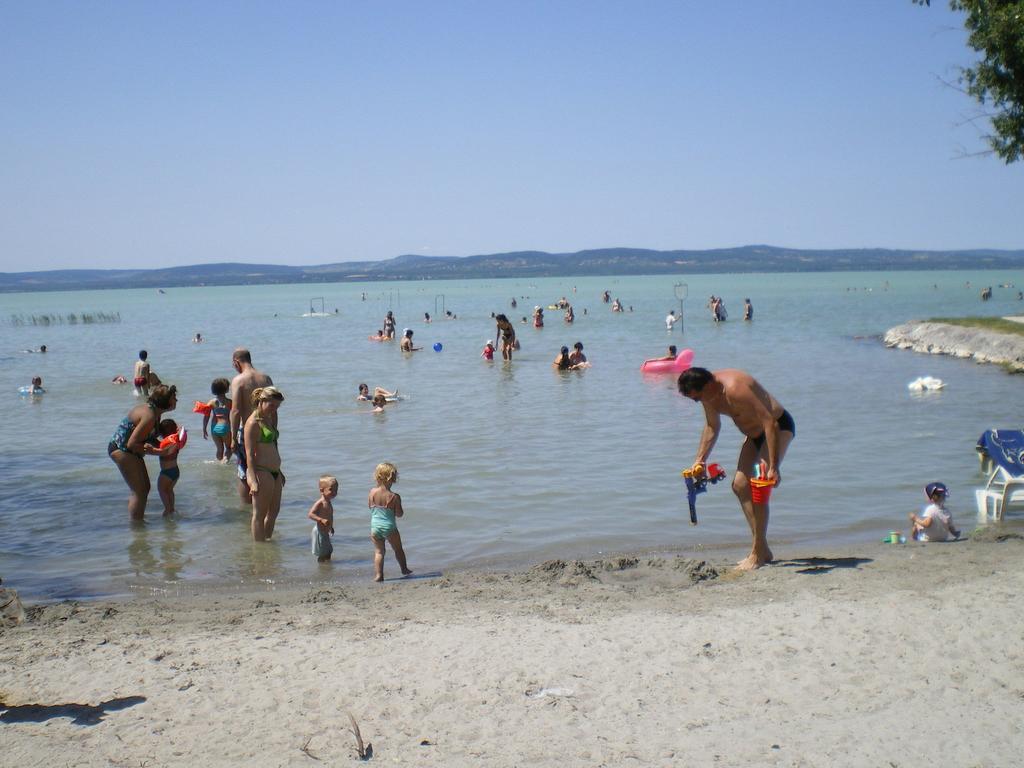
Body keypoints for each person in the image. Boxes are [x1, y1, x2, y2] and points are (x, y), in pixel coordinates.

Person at [678, 367, 795, 570]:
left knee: (758, 486)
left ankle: (757, 555)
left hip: (778, 428)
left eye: (697, 398)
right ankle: (762, 549)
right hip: (754, 436)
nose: (697, 402)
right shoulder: (709, 396)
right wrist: (700, 460)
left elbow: (769, 422)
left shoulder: (735, 389)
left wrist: (773, 467)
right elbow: (712, 426)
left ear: (707, 386)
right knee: (740, 485)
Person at [108, 384, 178, 520]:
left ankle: (139, 528)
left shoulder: (155, 413)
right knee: (139, 492)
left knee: (145, 488)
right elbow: (132, 443)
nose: (176, 400)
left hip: (130, 451)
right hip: (122, 450)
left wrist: (172, 439)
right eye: (174, 398)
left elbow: (148, 437)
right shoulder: (150, 415)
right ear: (166, 401)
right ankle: (137, 528)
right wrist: (160, 452)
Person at [229, 348, 274, 504]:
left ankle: (247, 509)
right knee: (264, 465)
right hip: (267, 428)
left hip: (248, 429)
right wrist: (274, 429)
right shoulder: (266, 379)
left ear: (236, 362)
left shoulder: (239, 380)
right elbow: (274, 408)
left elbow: (235, 411)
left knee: (245, 469)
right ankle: (264, 501)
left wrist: (233, 438)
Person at [244, 386, 285, 541]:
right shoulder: (253, 423)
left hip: (275, 471)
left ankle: (267, 548)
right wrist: (253, 480)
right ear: (261, 401)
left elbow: (274, 444)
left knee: (274, 512)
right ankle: (259, 551)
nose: (274, 409)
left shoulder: (271, 417)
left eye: (277, 406)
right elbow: (249, 454)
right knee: (259, 515)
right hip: (261, 471)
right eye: (272, 405)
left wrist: (279, 471)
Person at [368, 462, 412, 582]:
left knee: (379, 552)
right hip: (389, 527)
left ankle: (379, 575)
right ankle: (404, 569)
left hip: (375, 527)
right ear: (392, 478)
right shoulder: (394, 497)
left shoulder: (371, 492)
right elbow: (399, 514)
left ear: (377, 477)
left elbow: (370, 507)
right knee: (398, 549)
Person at [201, 378, 233, 462]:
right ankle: (225, 462)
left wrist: (204, 429)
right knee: (229, 448)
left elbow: (206, 416)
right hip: (225, 427)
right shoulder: (230, 402)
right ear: (226, 389)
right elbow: (236, 414)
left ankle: (219, 462)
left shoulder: (211, 402)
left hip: (214, 428)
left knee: (219, 449)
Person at [156, 418, 183, 516]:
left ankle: (167, 509)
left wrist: (150, 450)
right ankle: (172, 508)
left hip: (166, 472)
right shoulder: (175, 441)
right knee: (169, 490)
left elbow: (163, 452)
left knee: (161, 489)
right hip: (175, 471)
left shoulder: (169, 444)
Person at [309, 476, 338, 562]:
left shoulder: (328, 502)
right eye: (331, 490)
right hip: (319, 531)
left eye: (336, 490)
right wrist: (321, 520)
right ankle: (322, 569)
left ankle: (327, 569)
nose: (334, 492)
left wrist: (331, 527)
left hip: (325, 531)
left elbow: (329, 516)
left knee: (328, 551)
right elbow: (310, 514)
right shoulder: (320, 503)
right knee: (323, 554)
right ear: (322, 490)